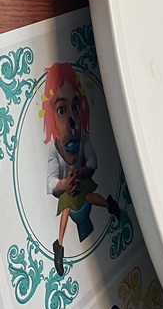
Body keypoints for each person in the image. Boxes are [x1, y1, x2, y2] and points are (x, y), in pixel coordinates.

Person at [42, 62, 121, 276]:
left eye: (75, 108)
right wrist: (64, 184)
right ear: (50, 117)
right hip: (70, 190)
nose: (71, 120)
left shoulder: (83, 138)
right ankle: (59, 245)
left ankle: (109, 204)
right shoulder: (53, 149)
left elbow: (93, 161)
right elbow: (50, 181)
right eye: (61, 110)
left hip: (82, 184)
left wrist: (82, 172)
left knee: (88, 196)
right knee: (67, 204)